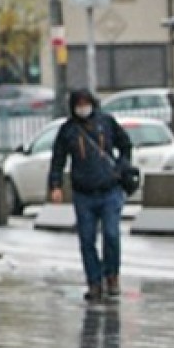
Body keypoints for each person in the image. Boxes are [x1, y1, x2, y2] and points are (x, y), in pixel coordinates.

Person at [48, 89, 133, 302]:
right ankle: (94, 282)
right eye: (79, 104)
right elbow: (58, 159)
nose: (83, 107)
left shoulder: (106, 122)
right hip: (83, 194)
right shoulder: (68, 130)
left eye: (86, 103)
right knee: (87, 240)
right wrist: (55, 185)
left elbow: (126, 145)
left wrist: (121, 167)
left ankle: (112, 275)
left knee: (111, 235)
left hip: (110, 190)